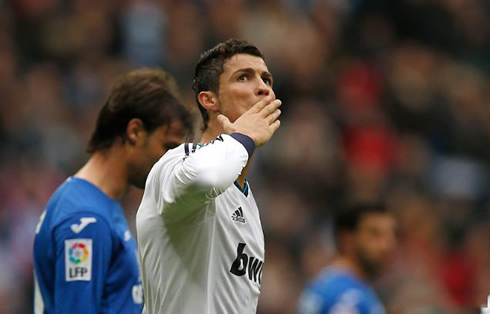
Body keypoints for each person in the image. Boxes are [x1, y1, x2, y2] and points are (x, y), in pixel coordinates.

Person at [136, 38, 282, 313]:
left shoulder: (247, 201)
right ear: (209, 99)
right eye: (244, 77)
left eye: (267, 80)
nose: (263, 88)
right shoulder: (177, 161)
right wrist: (244, 136)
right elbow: (205, 178)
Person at [33, 68, 193, 313]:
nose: (172, 163)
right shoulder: (85, 220)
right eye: (168, 147)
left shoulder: (97, 206)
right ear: (135, 131)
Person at [298, 203, 397, 314]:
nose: (387, 245)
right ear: (347, 240)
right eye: (374, 234)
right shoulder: (347, 298)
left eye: (391, 234)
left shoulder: (327, 286)